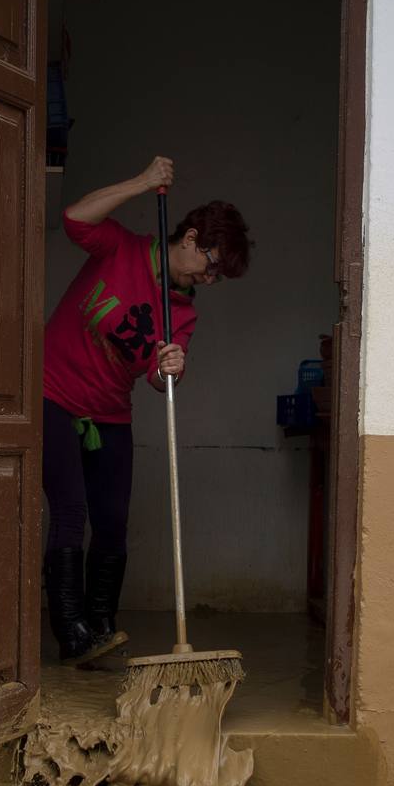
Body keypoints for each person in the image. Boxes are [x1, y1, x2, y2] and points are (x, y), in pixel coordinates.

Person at [43, 156, 252, 664]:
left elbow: (160, 381)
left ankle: (100, 624)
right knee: (71, 511)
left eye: (221, 274)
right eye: (213, 264)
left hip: (110, 412)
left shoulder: (183, 312)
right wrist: (142, 182)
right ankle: (71, 633)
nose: (212, 278)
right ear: (190, 238)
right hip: (52, 393)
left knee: (113, 521)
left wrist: (171, 368)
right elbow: (75, 217)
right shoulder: (121, 248)